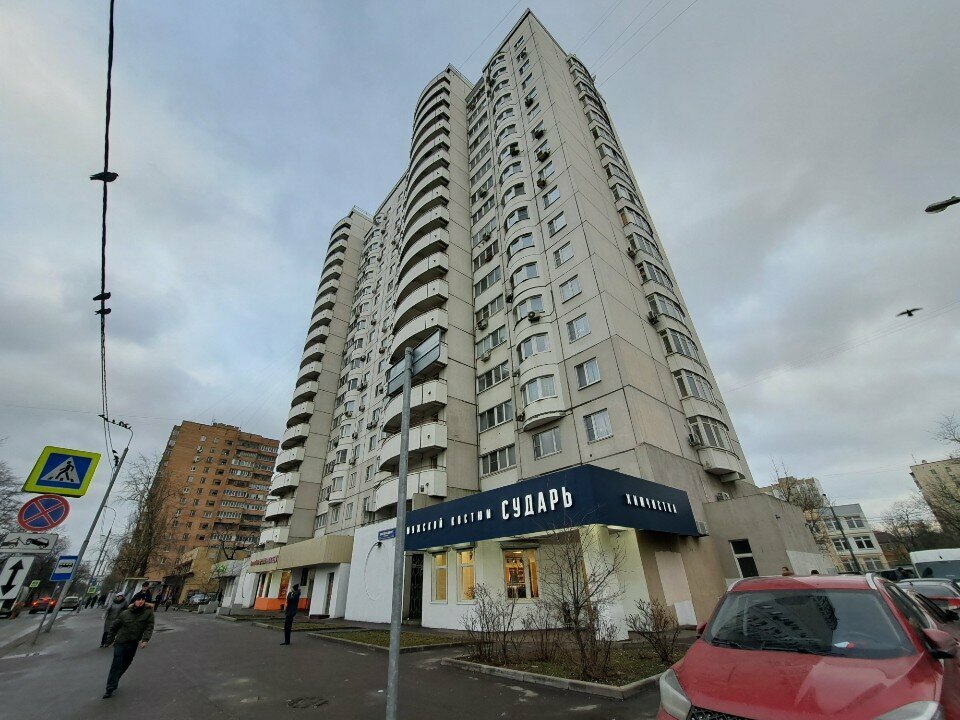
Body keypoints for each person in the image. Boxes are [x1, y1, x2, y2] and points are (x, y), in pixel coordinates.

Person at [102, 593, 154, 698]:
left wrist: (145, 640)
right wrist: (110, 640)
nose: (140, 601)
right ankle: (110, 688)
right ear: (134, 601)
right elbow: (114, 627)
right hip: (120, 642)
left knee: (126, 663)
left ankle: (115, 679)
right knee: (116, 664)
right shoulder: (125, 613)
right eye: (138, 599)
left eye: (142, 599)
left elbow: (149, 627)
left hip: (133, 643)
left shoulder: (148, 614)